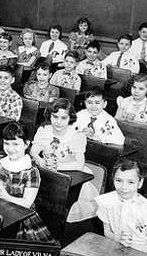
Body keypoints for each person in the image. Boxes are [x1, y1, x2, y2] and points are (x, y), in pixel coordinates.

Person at [30, 99, 100, 241]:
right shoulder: (45, 130)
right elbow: (34, 150)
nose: (58, 122)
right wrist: (41, 160)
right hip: (48, 171)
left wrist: (56, 166)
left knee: (60, 208)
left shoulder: (76, 136)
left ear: (70, 118)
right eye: (55, 117)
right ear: (50, 116)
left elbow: (79, 164)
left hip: (70, 172)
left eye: (63, 118)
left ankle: (57, 233)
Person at [0, 121, 55, 242]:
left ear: (26, 144)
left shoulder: (31, 171)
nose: (10, 149)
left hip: (22, 218)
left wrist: (4, 196)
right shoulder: (0, 162)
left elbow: (27, 204)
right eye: (6, 144)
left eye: (15, 144)